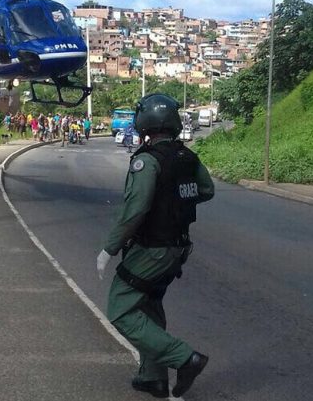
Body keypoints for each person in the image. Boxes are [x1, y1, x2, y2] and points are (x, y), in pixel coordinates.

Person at [96, 93, 215, 399]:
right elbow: (206, 190)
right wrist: (174, 201)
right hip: (177, 247)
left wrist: (109, 248)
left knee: (121, 310)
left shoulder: (147, 161)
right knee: (148, 305)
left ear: (144, 123)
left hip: (152, 248)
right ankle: (153, 377)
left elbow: (134, 211)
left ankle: (184, 358)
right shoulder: (187, 157)